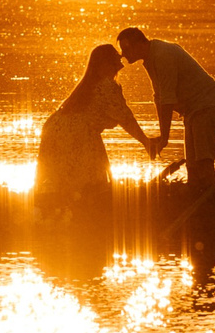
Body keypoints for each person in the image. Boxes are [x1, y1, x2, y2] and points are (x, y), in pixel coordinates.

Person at [35, 44, 159, 221]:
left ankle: (62, 212)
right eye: (115, 58)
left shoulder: (87, 86)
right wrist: (146, 142)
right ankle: (86, 216)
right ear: (105, 64)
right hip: (76, 133)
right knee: (92, 178)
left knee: (62, 177)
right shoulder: (106, 86)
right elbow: (126, 118)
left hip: (54, 130)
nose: (121, 60)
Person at [116, 26, 215, 191]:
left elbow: (167, 99)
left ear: (139, 44)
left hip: (207, 106)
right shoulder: (150, 58)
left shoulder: (162, 55)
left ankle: (211, 200)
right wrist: (162, 135)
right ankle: (198, 197)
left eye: (126, 48)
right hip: (193, 110)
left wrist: (165, 137)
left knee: (203, 160)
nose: (123, 54)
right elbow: (159, 98)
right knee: (192, 165)